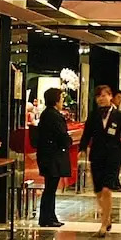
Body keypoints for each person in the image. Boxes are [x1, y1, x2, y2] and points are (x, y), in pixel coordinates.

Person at [79, 85, 121, 236]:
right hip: (96, 156)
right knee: (98, 191)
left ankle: (103, 224)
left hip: (113, 156)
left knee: (107, 190)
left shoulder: (119, 115)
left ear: (110, 96)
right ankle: (107, 217)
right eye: (98, 96)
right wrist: (82, 148)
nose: (101, 98)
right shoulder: (93, 115)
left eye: (104, 95)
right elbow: (87, 134)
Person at [35, 87, 72, 228]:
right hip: (52, 157)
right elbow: (61, 135)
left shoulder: (48, 114)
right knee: (50, 188)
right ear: (56, 100)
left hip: (48, 155)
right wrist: (67, 141)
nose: (62, 101)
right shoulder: (53, 116)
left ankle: (50, 216)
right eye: (61, 98)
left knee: (50, 187)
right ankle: (47, 218)